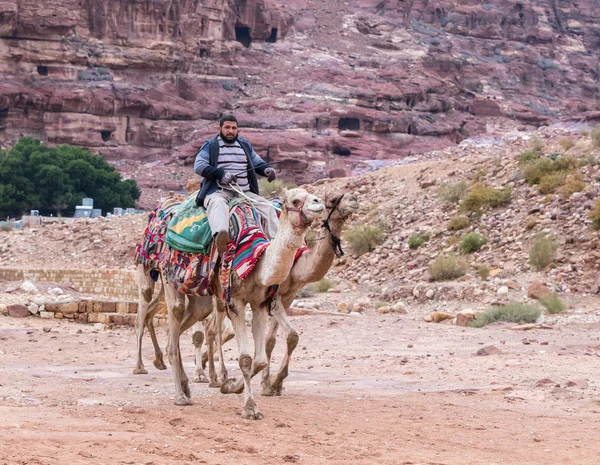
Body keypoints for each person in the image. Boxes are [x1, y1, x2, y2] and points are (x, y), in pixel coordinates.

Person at [194, 114, 279, 253]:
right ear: (219, 128)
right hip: (219, 191)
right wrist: (221, 174)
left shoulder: (244, 145)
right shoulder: (211, 146)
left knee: (268, 207)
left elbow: (257, 163)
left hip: (244, 192)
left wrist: (267, 170)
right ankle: (221, 236)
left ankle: (276, 245)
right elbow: (199, 166)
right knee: (218, 204)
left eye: (234, 128)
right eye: (227, 127)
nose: (230, 131)